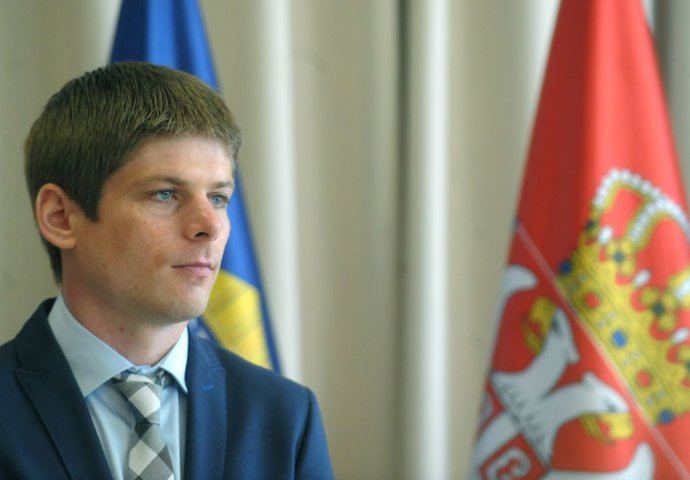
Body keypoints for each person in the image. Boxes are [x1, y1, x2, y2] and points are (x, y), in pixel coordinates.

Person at [0, 62, 333, 479]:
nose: (210, 226)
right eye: (165, 194)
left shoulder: (285, 417)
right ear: (61, 217)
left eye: (218, 198)